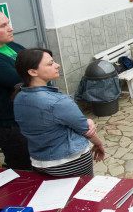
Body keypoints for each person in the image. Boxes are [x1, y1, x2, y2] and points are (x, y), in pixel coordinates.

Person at [13, 48, 105, 177]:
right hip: (70, 162)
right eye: (50, 64)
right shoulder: (58, 101)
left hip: (39, 162)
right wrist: (99, 143)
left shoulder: (19, 98)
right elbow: (85, 129)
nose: (57, 65)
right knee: (79, 193)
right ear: (33, 72)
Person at [0, 12, 32, 170]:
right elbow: (24, 80)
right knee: (23, 168)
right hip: (10, 125)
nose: (10, 28)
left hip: (28, 117)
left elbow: (36, 63)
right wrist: (37, 74)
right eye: (3, 26)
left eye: (8, 23)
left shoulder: (11, 45)